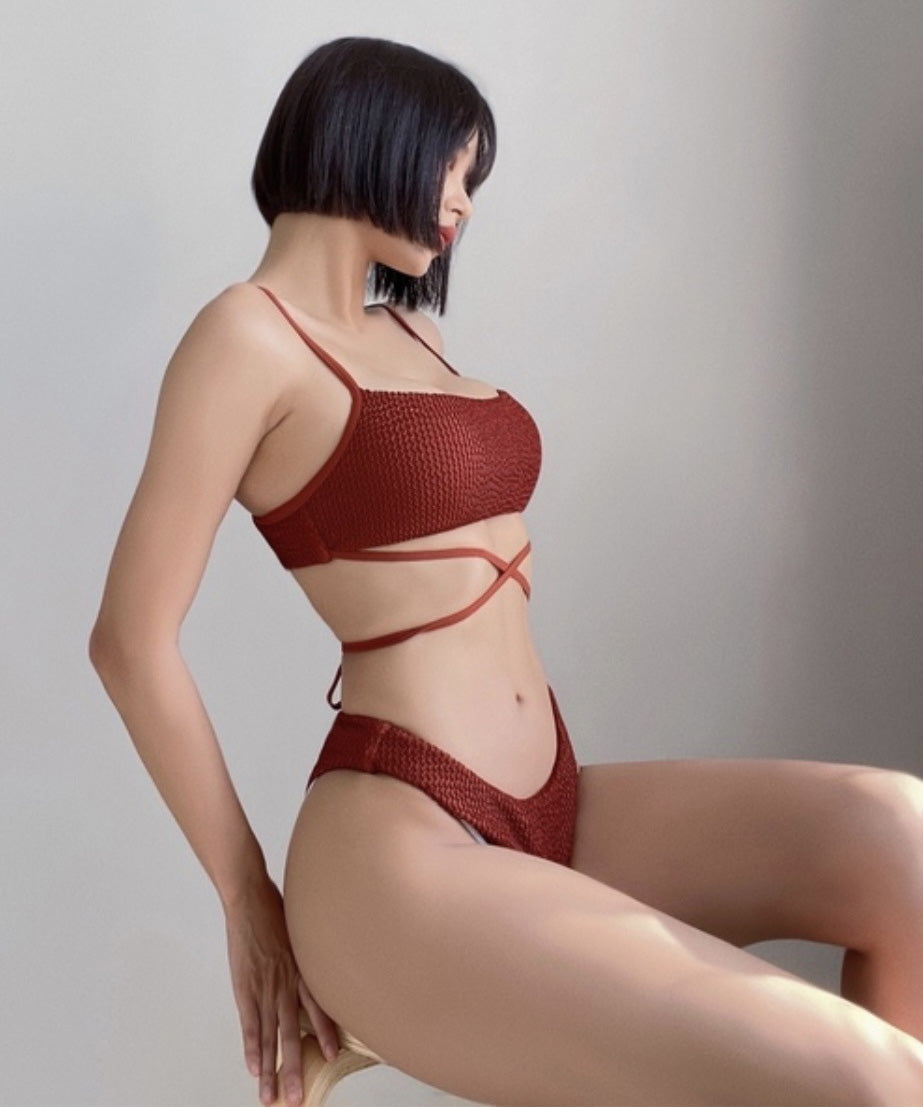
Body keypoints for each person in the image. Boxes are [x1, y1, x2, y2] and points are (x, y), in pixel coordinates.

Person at [89, 35, 923, 1107]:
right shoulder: (244, 337)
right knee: (865, 1076)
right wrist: (249, 897)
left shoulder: (410, 334)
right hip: (402, 848)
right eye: (452, 167)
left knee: (898, 836)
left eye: (471, 182)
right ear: (370, 134)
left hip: (548, 802)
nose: (462, 204)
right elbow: (130, 641)